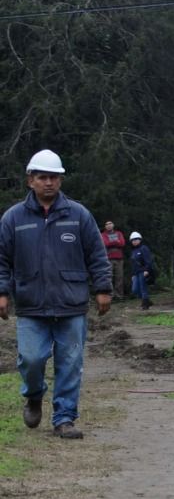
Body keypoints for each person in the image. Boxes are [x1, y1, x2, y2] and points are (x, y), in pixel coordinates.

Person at [0, 149, 112, 440]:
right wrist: (2, 293)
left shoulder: (78, 215)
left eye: (54, 177)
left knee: (70, 363)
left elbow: (97, 255)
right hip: (30, 304)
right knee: (31, 359)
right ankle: (34, 395)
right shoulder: (14, 218)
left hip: (71, 303)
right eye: (42, 177)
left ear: (60, 180)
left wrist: (102, 288)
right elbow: (1, 259)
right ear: (31, 180)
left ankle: (64, 418)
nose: (48, 182)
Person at [100, 220, 127, 300]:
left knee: (119, 277)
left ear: (113, 225)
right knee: (109, 277)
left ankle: (119, 296)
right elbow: (105, 243)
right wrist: (116, 242)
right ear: (105, 226)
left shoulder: (119, 233)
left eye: (110, 223)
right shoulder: (103, 234)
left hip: (119, 258)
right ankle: (110, 296)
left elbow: (122, 243)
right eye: (107, 224)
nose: (108, 225)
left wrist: (112, 242)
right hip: (108, 259)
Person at [129, 232, 154, 310]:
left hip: (143, 271)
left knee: (143, 288)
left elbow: (148, 260)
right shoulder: (133, 251)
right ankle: (147, 301)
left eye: (136, 239)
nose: (134, 241)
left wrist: (147, 270)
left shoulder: (144, 248)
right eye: (133, 240)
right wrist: (133, 274)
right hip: (136, 273)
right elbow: (133, 264)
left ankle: (145, 304)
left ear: (140, 240)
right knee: (135, 289)